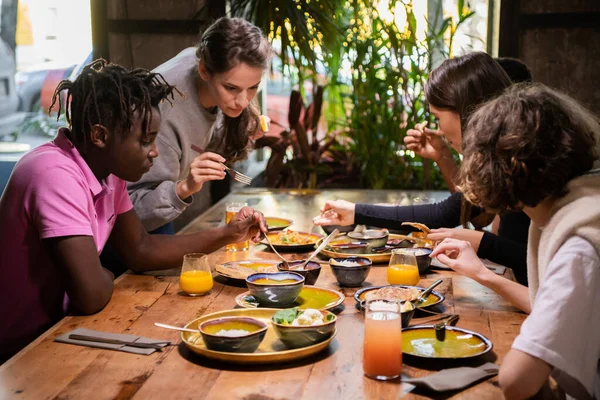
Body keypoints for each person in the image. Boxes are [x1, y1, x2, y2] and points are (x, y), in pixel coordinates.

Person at [0, 60, 267, 362]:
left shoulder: (107, 172)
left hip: (58, 331)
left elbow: (141, 249)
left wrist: (229, 234)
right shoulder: (54, 174)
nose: (154, 151)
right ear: (100, 136)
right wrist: (103, 272)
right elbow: (90, 295)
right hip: (18, 349)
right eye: (145, 141)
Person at [431, 83, 600, 399]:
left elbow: (516, 382)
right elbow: (548, 304)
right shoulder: (576, 208)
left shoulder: (579, 245)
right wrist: (482, 274)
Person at [313, 52, 530, 284]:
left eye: (437, 117)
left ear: (467, 112)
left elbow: (540, 260)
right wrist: (354, 212)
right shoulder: (506, 159)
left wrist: (480, 241)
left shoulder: (523, 166)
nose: (439, 128)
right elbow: (448, 212)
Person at [127, 17, 271, 234]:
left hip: (160, 208)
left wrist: (246, 129)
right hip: (122, 226)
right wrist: (184, 188)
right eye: (231, 88)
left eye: (253, 87)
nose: (243, 101)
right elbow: (130, 211)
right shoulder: (163, 116)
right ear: (204, 71)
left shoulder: (206, 59)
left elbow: (208, 124)